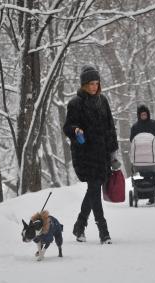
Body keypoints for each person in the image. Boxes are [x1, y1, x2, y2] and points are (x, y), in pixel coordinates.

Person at [63, 65, 119, 245]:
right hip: (85, 154)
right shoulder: (75, 103)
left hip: (102, 154)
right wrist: (76, 129)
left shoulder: (103, 101)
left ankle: (79, 226)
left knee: (93, 189)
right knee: (94, 188)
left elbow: (110, 128)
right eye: (90, 83)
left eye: (96, 83)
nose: (94, 87)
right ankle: (104, 232)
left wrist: (113, 153)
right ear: (84, 85)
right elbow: (68, 126)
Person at [130, 105, 155, 204]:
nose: (144, 116)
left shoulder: (154, 124)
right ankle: (141, 192)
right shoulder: (135, 127)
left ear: (148, 114)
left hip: (154, 154)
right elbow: (132, 140)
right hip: (140, 156)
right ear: (139, 115)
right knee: (142, 174)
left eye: (145, 114)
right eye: (142, 114)